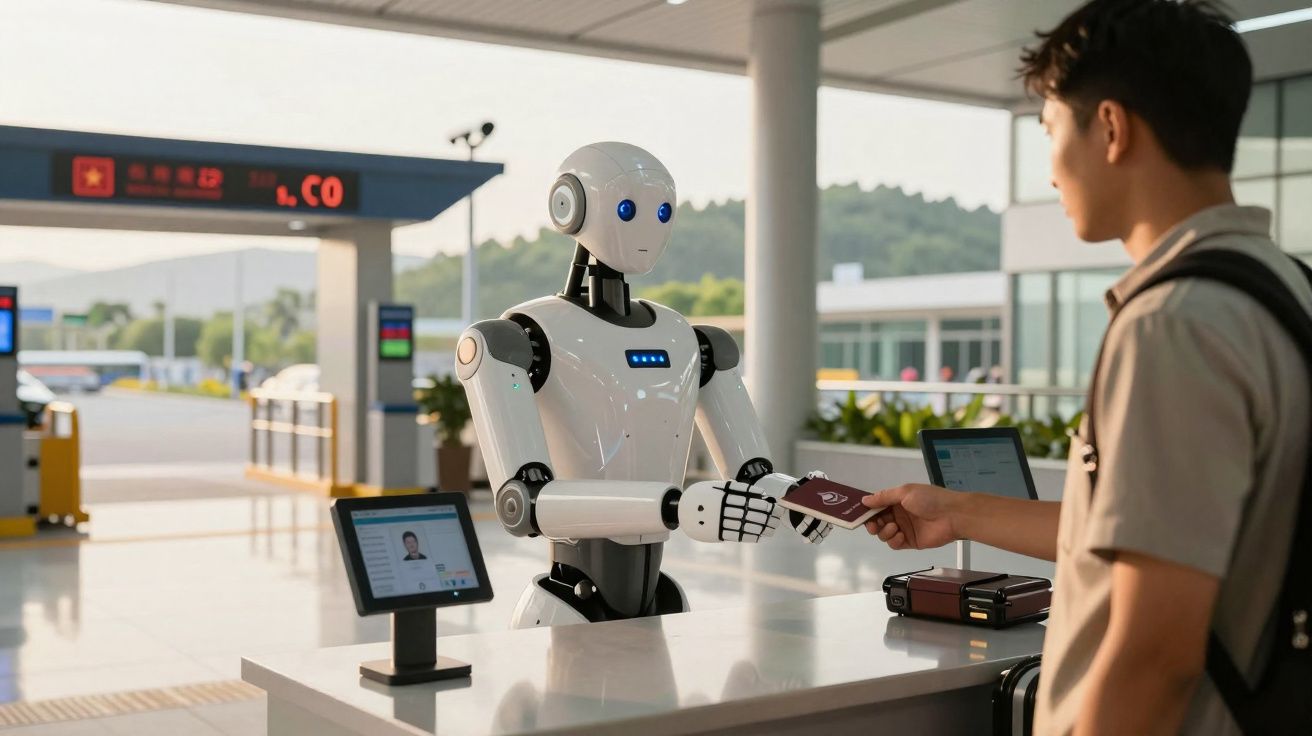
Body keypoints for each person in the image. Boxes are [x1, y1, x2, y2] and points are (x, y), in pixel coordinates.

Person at [861, 2, 1312, 734]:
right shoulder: (1287, 289)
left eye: (1050, 132)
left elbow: (1153, 654)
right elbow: (1165, 531)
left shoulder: (1175, 323)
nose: (1050, 168)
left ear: (1110, 127)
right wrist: (958, 511)